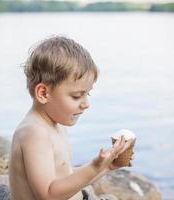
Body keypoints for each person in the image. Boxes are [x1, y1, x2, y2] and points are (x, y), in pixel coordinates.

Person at [8, 35, 135, 200]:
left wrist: (106, 167)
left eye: (87, 94)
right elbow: (48, 194)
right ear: (44, 93)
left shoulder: (55, 125)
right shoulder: (34, 133)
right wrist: (93, 168)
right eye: (77, 96)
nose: (86, 104)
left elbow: (65, 178)